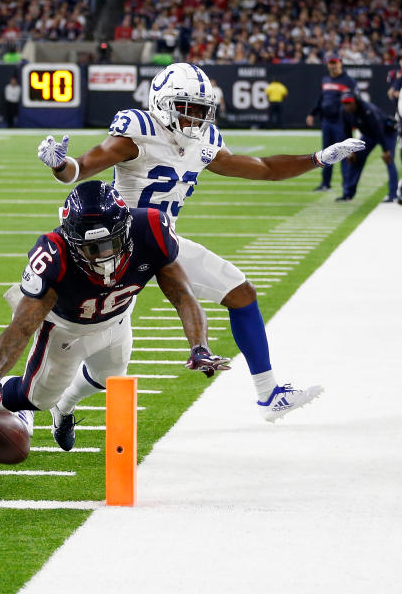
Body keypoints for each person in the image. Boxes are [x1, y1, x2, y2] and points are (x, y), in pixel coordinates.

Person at [37, 63, 364, 421]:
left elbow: (265, 168)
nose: (195, 117)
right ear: (162, 102)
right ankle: (51, 403)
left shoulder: (204, 143)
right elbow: (81, 167)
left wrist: (318, 158)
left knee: (242, 294)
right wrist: (60, 166)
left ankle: (269, 393)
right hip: (115, 247)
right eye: (186, 107)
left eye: (200, 109)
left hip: (163, 242)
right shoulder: (138, 130)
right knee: (102, 366)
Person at [0, 181, 230, 454]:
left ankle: (66, 404)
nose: (104, 256)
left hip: (117, 318)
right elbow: (23, 326)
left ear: (127, 228)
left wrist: (199, 345)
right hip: (65, 330)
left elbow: (183, 296)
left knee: (108, 378)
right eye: (92, 249)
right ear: (72, 242)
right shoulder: (55, 254)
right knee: (38, 398)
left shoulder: (151, 230)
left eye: (112, 243)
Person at [306, 57, 358, 192]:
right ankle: (325, 183)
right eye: (331, 64)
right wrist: (312, 113)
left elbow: (354, 102)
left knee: (344, 153)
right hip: (327, 122)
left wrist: (353, 121)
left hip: (341, 122)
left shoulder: (349, 81)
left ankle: (347, 187)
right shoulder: (326, 80)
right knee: (327, 154)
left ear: (340, 64)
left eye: (335, 64)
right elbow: (321, 99)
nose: (333, 66)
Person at [338, 94, 397, 203]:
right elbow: (347, 131)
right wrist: (350, 151)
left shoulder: (367, 111)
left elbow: (378, 130)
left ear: (355, 102)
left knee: (389, 160)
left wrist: (386, 150)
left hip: (386, 133)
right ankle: (348, 194)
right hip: (368, 135)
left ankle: (393, 195)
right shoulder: (344, 112)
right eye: (344, 104)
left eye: (349, 103)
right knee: (356, 160)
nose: (347, 106)